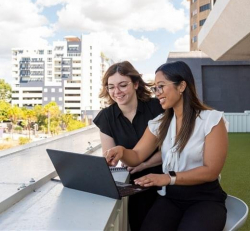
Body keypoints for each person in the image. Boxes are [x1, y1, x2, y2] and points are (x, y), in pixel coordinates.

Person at [106, 61, 228, 231]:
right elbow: (136, 156)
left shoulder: (211, 120)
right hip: (170, 198)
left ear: (181, 86)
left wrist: (168, 178)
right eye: (155, 88)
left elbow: (211, 170)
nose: (157, 93)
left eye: (161, 86)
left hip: (205, 199)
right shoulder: (159, 123)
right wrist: (121, 151)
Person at [93, 61, 164, 231]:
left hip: (162, 176)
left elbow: (171, 150)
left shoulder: (156, 107)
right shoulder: (105, 117)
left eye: (123, 85)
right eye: (111, 87)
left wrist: (144, 164)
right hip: (132, 183)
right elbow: (110, 159)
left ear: (136, 84)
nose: (116, 92)